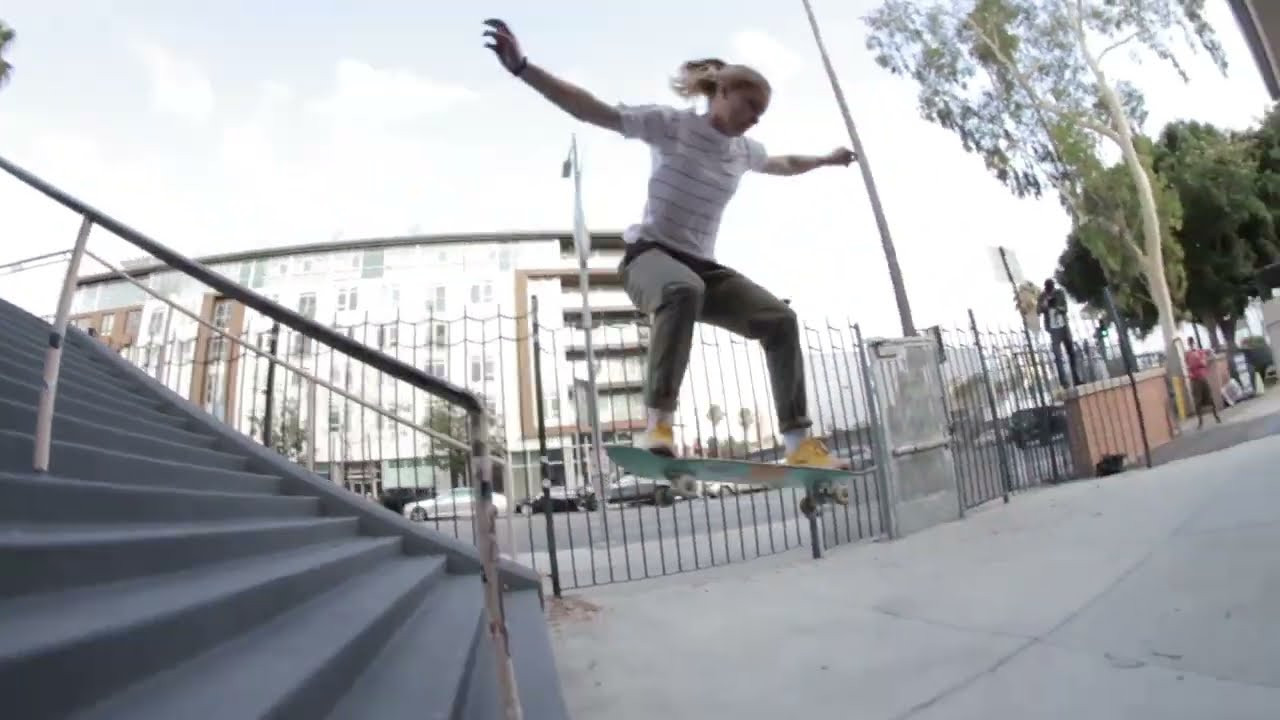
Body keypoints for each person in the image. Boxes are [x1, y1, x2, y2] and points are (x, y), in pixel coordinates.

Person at [483, 19, 852, 471]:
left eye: (762, 113)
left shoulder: (743, 152)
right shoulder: (670, 124)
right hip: (649, 258)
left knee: (780, 320)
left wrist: (826, 160)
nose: (755, 117)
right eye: (749, 104)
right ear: (720, 93)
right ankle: (658, 424)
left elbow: (785, 163)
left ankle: (799, 444)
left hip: (705, 269)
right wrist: (523, 67)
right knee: (681, 291)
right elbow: (591, 110)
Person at [1037, 279, 1081, 388]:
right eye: (1048, 288)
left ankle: (1076, 378)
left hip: (1064, 327)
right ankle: (1064, 382)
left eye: (1051, 288)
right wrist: (1044, 305)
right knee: (1058, 356)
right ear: (1045, 288)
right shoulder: (1042, 296)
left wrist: (1057, 307)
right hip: (1053, 329)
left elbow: (1065, 308)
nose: (1050, 291)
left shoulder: (1059, 293)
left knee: (1071, 353)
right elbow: (1038, 311)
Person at [1184, 337, 1221, 428]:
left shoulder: (1199, 352)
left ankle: (1216, 416)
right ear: (1189, 344)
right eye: (1190, 343)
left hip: (1202, 377)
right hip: (1195, 379)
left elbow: (1204, 362)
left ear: (1194, 343)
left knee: (1209, 398)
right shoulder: (1189, 354)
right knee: (1197, 401)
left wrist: (1200, 362)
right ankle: (1200, 421)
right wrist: (1197, 363)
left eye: (1192, 343)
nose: (1191, 344)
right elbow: (1189, 365)